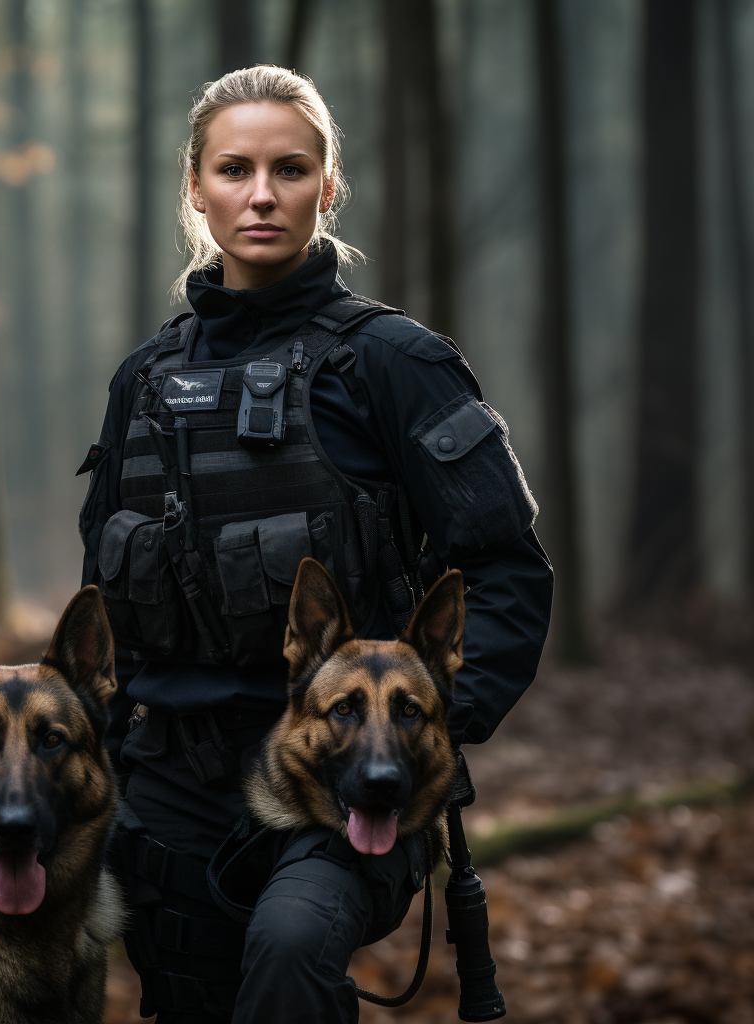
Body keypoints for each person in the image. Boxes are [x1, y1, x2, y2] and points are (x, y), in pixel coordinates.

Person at [78, 66, 553, 1024]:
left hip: (347, 781)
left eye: (290, 170)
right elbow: (104, 609)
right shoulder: (144, 380)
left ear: (327, 188)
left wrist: (429, 728)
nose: (262, 195)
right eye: (235, 169)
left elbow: (508, 569)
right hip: (171, 780)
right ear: (196, 186)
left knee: (291, 953)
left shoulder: (392, 363)